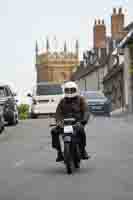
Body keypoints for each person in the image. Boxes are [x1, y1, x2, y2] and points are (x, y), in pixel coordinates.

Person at [51, 81, 90, 162]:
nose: (69, 92)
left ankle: (83, 150)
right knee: (54, 131)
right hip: (64, 124)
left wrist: (83, 121)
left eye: (71, 90)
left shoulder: (81, 100)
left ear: (76, 90)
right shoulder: (62, 101)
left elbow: (86, 111)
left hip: (77, 123)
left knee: (82, 131)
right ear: (65, 91)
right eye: (67, 90)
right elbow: (58, 113)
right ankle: (59, 152)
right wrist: (58, 122)